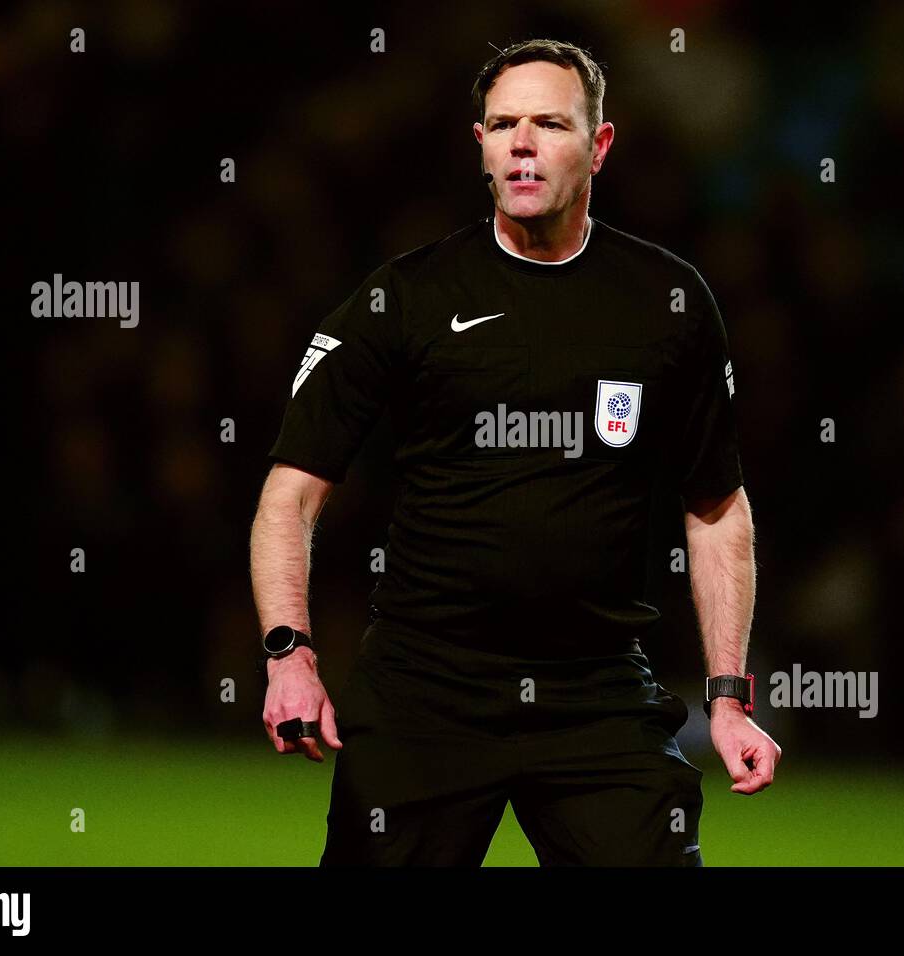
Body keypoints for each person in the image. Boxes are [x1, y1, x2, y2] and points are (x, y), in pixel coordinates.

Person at [249, 37, 780, 866]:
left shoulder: (667, 301)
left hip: (596, 692)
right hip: (427, 690)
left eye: (549, 124)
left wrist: (727, 697)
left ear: (599, 147)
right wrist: (290, 655)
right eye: (503, 125)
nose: (523, 144)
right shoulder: (408, 297)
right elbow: (291, 494)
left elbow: (715, 508)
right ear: (481, 146)